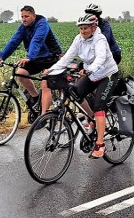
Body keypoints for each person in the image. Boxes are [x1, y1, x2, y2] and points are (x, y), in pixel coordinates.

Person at [42, 14, 118, 159]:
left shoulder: (100, 39)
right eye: (81, 28)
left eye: (86, 28)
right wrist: (52, 70)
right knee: (75, 93)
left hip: (107, 75)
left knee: (99, 105)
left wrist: (91, 69)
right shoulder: (79, 39)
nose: (83, 31)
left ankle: (100, 145)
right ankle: (92, 119)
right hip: (92, 75)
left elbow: (101, 58)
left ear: (93, 27)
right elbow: (67, 57)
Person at [0, 5, 62, 115]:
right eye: (22, 17)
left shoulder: (42, 24)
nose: (24, 19)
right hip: (37, 58)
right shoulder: (23, 27)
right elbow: (14, 41)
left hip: (51, 57)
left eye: (27, 16)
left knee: (45, 84)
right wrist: (2, 56)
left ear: (34, 16)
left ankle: (44, 115)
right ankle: (36, 97)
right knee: (21, 73)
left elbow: (37, 40)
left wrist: (29, 57)